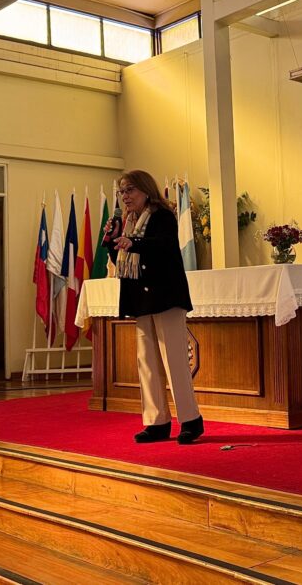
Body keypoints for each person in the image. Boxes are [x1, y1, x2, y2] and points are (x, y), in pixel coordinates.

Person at [109, 170, 204, 444]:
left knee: (175, 361)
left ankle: (191, 421)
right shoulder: (128, 223)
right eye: (122, 192)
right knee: (147, 363)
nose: (125, 196)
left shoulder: (162, 216)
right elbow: (121, 258)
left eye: (130, 190)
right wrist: (112, 241)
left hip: (166, 296)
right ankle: (156, 422)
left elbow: (163, 247)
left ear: (146, 190)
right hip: (142, 299)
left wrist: (134, 242)